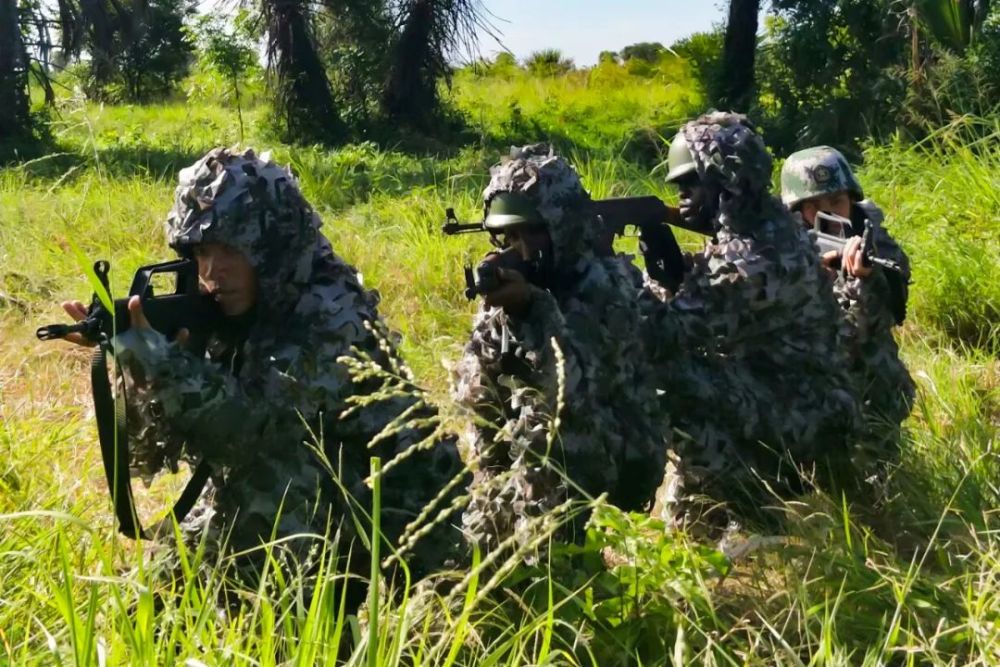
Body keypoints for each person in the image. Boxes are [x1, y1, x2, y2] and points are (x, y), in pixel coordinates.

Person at [60, 147, 467, 597]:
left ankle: (282, 618)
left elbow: (255, 428)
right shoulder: (229, 311)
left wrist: (165, 362)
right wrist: (132, 355)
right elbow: (163, 449)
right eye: (202, 251)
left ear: (273, 247)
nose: (214, 271)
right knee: (160, 594)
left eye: (234, 249)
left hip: (400, 520)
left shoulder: (329, 309)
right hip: (319, 490)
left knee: (269, 475)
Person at [641, 113, 861, 531]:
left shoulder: (748, 259)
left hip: (802, 419)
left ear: (727, 182)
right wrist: (670, 274)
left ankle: (729, 517)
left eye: (692, 184)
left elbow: (662, 335)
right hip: (805, 399)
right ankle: (727, 512)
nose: (683, 197)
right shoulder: (775, 226)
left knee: (674, 384)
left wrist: (613, 272)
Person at [455, 144, 668, 554]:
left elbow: (573, 392)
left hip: (611, 455)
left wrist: (532, 311)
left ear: (561, 227)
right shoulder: (522, 288)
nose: (515, 248)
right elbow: (484, 401)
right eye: (507, 235)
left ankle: (560, 556)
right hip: (534, 449)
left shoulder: (609, 287)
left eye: (527, 233)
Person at [781, 146, 914, 472]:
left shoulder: (875, 245)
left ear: (852, 201)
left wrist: (862, 281)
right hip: (807, 397)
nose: (831, 214)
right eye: (815, 206)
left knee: (878, 480)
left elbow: (881, 319)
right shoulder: (783, 252)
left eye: (837, 201)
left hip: (871, 389)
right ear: (796, 212)